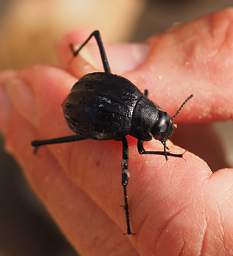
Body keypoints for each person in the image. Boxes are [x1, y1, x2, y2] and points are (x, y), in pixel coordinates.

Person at [0, 8, 233, 255]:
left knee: (96, 38)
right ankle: (40, 144)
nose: (166, 130)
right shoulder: (132, 122)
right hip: (78, 109)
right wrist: (171, 155)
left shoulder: (137, 95)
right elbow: (142, 150)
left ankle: (40, 140)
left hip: (91, 89)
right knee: (89, 150)